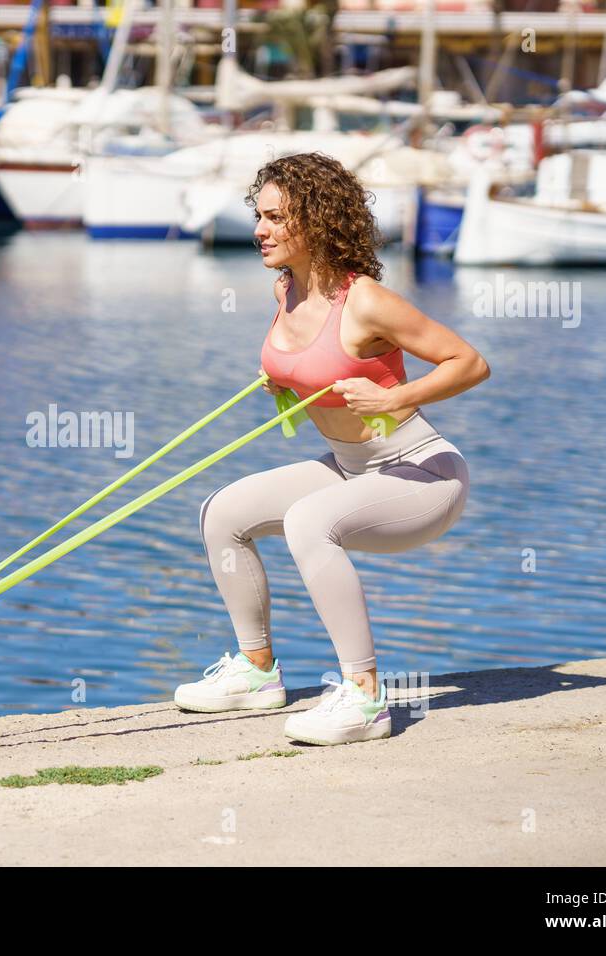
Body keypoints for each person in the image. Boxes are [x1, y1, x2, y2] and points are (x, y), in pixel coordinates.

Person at [173, 152, 490, 746]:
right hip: (350, 468)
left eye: (274, 217)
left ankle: (365, 698)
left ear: (314, 221)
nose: (260, 229)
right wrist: (283, 380)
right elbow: (311, 366)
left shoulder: (364, 299)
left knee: (308, 520)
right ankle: (256, 673)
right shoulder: (284, 288)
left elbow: (470, 363)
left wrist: (396, 399)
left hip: (422, 473)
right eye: (259, 216)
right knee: (223, 512)